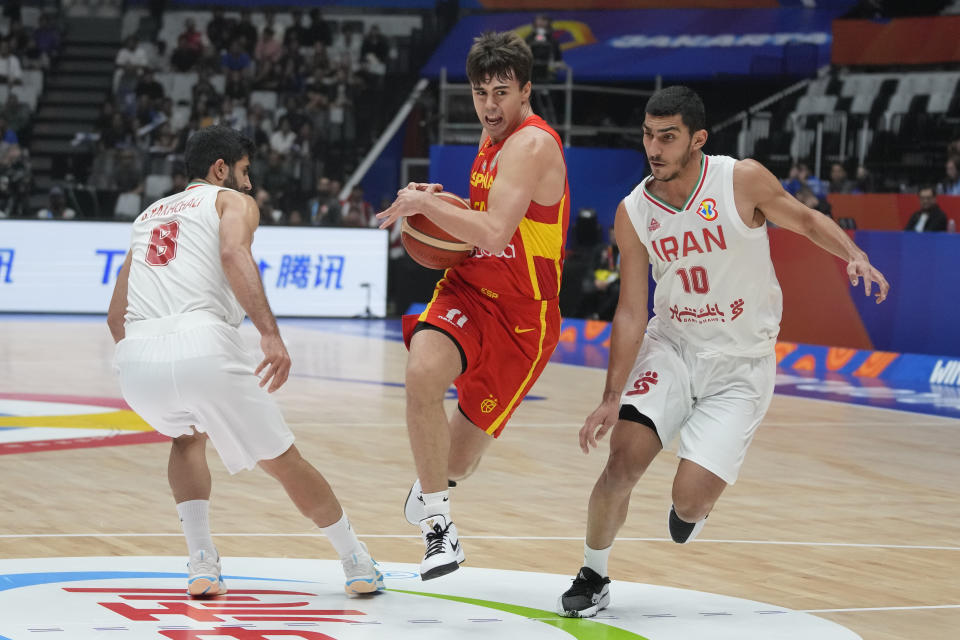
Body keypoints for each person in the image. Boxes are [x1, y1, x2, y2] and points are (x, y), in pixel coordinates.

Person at [555, 86, 889, 618]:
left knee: (687, 503)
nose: (655, 148)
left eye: (668, 137)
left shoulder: (741, 180)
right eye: (648, 135)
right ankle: (593, 573)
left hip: (741, 365)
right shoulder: (633, 211)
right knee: (621, 461)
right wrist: (610, 396)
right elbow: (631, 310)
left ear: (698, 139)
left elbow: (803, 220)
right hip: (674, 349)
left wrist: (853, 254)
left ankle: (695, 506)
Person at [106, 125, 384, 597]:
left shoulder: (148, 216)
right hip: (204, 345)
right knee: (283, 461)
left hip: (136, 362)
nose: (250, 184)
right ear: (220, 170)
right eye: (245, 171)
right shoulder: (229, 202)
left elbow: (117, 316)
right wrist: (270, 336)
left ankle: (201, 563)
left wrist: (148, 357)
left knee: (185, 438)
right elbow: (234, 253)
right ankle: (355, 558)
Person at [376, 31, 569, 580]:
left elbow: (494, 228)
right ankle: (439, 530)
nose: (489, 105)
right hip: (469, 289)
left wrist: (420, 202)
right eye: (481, 92)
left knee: (457, 461)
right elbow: (475, 229)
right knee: (421, 373)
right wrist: (437, 203)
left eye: (501, 92)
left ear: (526, 91)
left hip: (524, 317)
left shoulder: (532, 144)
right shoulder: (492, 139)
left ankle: (432, 486)